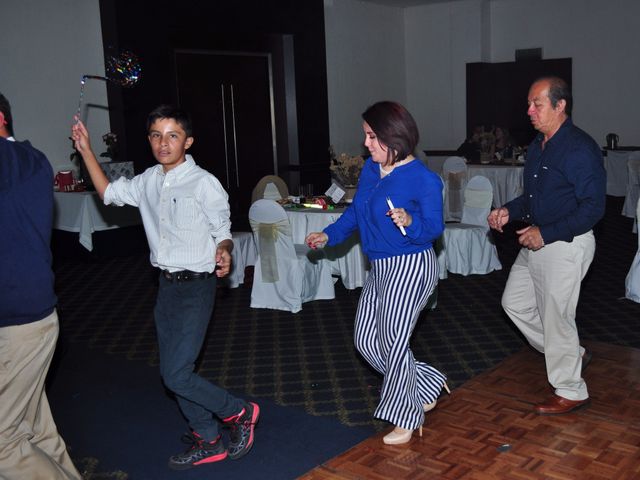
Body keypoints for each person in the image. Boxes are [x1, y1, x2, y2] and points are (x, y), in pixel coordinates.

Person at [70, 105, 259, 470]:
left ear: (187, 141)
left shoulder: (204, 182)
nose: (163, 143)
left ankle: (239, 412)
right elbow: (108, 192)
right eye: (156, 135)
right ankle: (208, 437)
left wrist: (224, 251)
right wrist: (86, 151)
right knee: (174, 373)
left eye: (172, 135)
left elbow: (224, 232)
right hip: (166, 287)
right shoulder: (148, 181)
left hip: (197, 287)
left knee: (175, 373)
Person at [306, 101, 448, 445]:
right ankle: (427, 383)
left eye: (372, 136)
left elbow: (434, 228)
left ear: (394, 137)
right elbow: (356, 213)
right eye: (366, 136)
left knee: (393, 341)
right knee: (366, 341)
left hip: (412, 265)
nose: (366, 144)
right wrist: (329, 235)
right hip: (380, 266)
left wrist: (410, 221)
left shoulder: (423, 179)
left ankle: (406, 415)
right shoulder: (372, 170)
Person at [487, 77, 605, 415]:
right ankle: (573, 354)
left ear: (560, 105)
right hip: (538, 240)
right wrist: (509, 211)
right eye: (529, 104)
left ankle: (572, 389)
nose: (529, 111)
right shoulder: (540, 145)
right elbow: (533, 199)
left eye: (537, 104)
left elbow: (593, 208)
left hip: (566, 242)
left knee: (557, 319)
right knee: (515, 304)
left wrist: (546, 233)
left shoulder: (580, 148)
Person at [0, 92, 82, 479]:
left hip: (21, 325)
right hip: (25, 320)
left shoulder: (17, 160)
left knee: (2, 443)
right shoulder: (28, 160)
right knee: (34, 429)